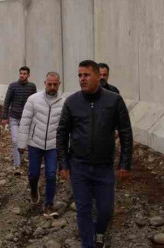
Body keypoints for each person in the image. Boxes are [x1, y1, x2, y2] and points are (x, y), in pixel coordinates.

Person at [57, 60, 133, 248]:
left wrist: (124, 164)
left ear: (98, 76)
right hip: (79, 166)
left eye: (86, 75)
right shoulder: (72, 102)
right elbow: (61, 133)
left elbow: (125, 132)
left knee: (106, 209)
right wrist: (63, 164)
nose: (82, 79)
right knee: (83, 209)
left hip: (104, 166)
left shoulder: (114, 100)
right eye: (80, 75)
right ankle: (87, 243)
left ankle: (99, 231)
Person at [17, 72, 64, 217]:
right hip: (34, 143)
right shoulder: (33, 99)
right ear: (45, 83)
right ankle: (33, 188)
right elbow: (25, 121)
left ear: (59, 84)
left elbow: (66, 127)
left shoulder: (64, 102)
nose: (52, 87)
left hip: (53, 145)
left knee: (51, 174)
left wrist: (66, 147)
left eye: (55, 84)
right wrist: (21, 142)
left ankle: (48, 204)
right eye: (49, 84)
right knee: (33, 173)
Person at [2, 66, 37, 169]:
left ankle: (20, 159)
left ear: (28, 75)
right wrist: (4, 117)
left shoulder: (32, 87)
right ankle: (17, 165)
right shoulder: (13, 86)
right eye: (21, 73)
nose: (22, 75)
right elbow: (7, 101)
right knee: (15, 140)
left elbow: (35, 102)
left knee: (23, 142)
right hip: (14, 117)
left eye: (24, 73)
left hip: (26, 119)